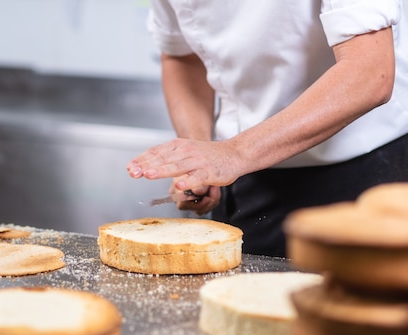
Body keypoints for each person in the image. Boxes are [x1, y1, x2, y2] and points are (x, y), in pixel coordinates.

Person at [127, 0, 408, 258]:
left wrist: (232, 154)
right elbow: (181, 56)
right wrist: (199, 160)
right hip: (242, 180)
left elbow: (369, 73)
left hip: (361, 176)